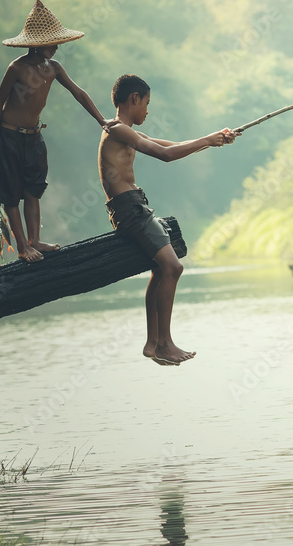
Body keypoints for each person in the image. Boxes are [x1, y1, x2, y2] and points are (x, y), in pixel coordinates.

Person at [99, 74, 238, 366]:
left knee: (160, 269)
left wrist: (213, 140)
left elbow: (171, 145)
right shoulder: (117, 130)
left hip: (134, 207)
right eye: (147, 103)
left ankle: (153, 342)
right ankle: (165, 343)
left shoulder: (126, 132)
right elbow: (164, 155)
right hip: (130, 210)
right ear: (134, 98)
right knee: (173, 267)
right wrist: (207, 140)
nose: (148, 111)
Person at [0, 0, 118, 262]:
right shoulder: (17, 68)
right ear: (37, 43)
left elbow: (78, 93)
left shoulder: (53, 68)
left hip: (34, 137)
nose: (57, 47)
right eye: (52, 43)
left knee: (33, 190)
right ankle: (23, 248)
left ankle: (35, 241)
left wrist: (102, 120)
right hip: (10, 135)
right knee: (11, 194)